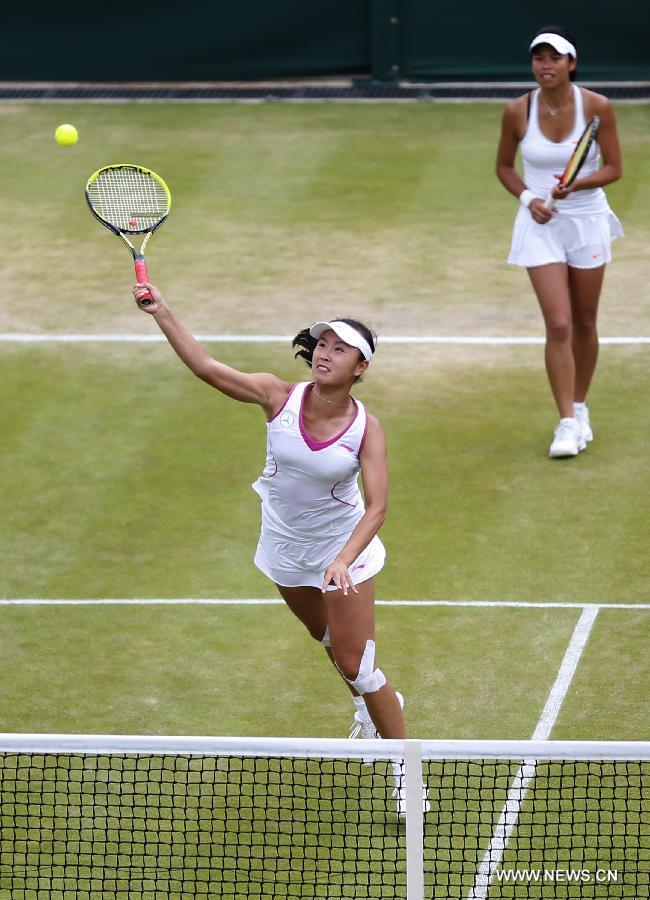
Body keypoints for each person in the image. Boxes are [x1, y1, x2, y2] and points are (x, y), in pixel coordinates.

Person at [132, 281, 425, 814]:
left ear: (361, 367)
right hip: (286, 549)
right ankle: (373, 707)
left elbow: (378, 506)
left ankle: (406, 769)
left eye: (340, 348)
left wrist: (341, 559)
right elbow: (206, 368)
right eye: (322, 344)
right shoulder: (276, 395)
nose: (325, 353)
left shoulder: (367, 430)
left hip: (345, 548)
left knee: (356, 662)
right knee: (330, 643)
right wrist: (163, 312)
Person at [496, 26, 622, 458]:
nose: (545, 66)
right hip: (539, 224)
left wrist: (578, 184)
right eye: (538, 58)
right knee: (560, 323)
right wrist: (530, 198)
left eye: (554, 58)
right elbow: (504, 168)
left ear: (571, 63)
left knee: (585, 321)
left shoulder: (598, 107)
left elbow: (614, 168)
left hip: (586, 220)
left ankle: (581, 407)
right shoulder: (517, 110)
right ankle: (566, 421)